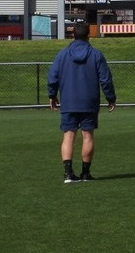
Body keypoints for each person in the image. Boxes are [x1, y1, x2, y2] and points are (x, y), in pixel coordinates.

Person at [47, 22, 116, 183]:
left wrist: (52, 95)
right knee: (88, 136)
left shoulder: (62, 55)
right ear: (88, 35)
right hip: (89, 100)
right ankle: (85, 173)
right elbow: (105, 79)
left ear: (73, 35)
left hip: (68, 100)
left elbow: (52, 77)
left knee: (69, 136)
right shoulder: (96, 55)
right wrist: (110, 98)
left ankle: (68, 173)